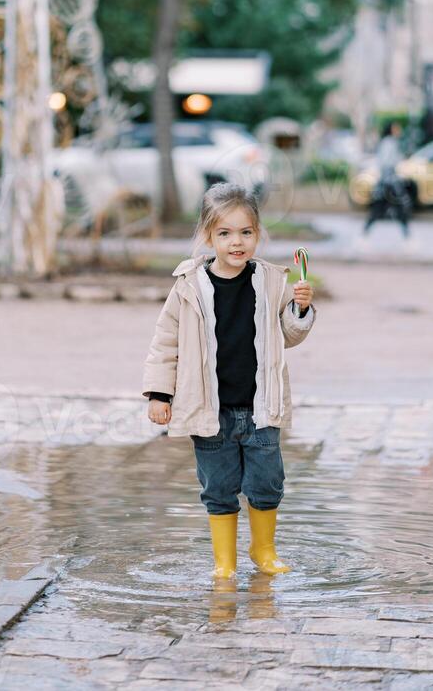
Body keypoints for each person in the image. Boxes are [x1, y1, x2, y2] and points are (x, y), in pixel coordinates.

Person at [142, 182, 316, 581]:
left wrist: (299, 309)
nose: (236, 242)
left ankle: (263, 549)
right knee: (218, 487)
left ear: (258, 234)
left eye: (245, 233)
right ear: (207, 237)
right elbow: (165, 342)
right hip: (209, 410)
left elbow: (288, 335)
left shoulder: (272, 281)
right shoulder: (188, 286)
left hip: (261, 407)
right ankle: (225, 561)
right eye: (225, 233)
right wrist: (159, 394)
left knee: (267, 482)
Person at [364, 121, 413, 237]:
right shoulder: (389, 143)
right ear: (391, 129)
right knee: (396, 207)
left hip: (388, 182)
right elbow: (386, 163)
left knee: (381, 209)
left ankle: (364, 233)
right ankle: (407, 236)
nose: (399, 130)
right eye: (396, 128)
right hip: (389, 182)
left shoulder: (390, 142)